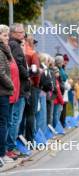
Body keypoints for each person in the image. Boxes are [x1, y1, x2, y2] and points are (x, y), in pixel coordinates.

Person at [9, 23, 30, 141]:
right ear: (13, 33)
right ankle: (11, 147)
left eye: (23, 32)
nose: (23, 34)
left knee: (14, 118)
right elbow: (19, 63)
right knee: (16, 118)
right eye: (20, 32)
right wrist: (27, 75)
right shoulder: (15, 46)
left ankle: (10, 146)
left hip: (17, 86)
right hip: (20, 87)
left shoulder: (12, 44)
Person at [0, 24, 15, 166]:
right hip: (2, 92)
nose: (7, 38)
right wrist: (11, 85)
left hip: (4, 91)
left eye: (7, 35)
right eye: (4, 35)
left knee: (4, 122)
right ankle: (2, 154)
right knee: (3, 123)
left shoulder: (4, 50)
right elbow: (1, 72)